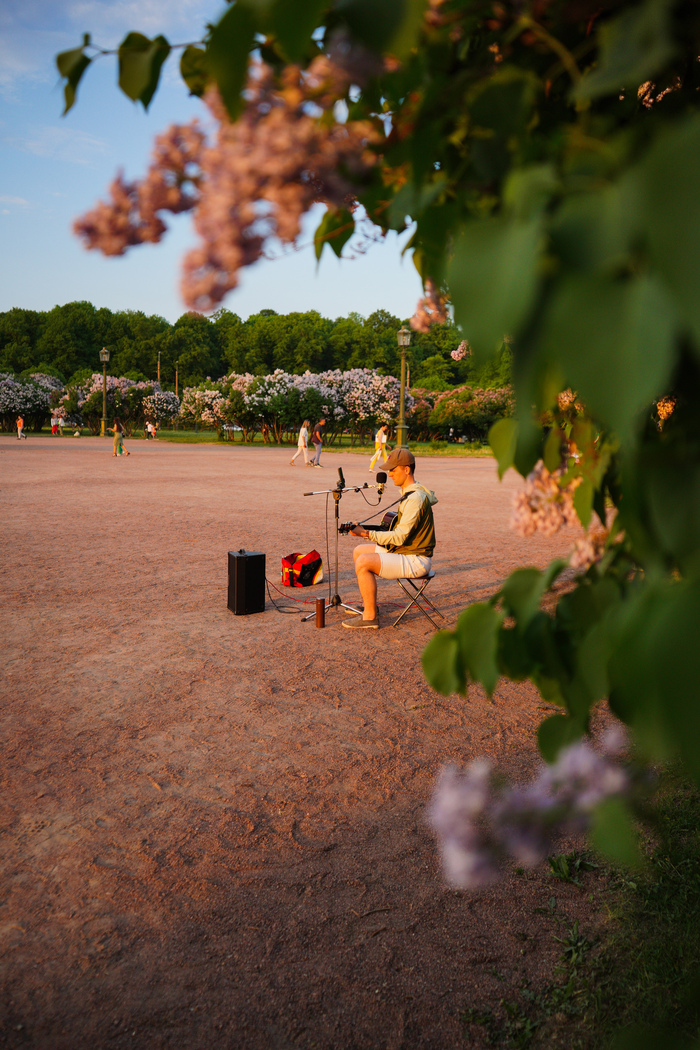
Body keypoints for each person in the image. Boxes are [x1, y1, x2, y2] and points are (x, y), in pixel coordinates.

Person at [343, 448, 437, 629]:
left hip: (417, 560)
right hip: (407, 552)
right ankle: (370, 606)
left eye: (393, 470)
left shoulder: (415, 498)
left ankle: (370, 617)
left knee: (363, 561)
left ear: (407, 470)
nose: (390, 474)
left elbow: (399, 537)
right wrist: (364, 530)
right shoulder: (411, 493)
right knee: (359, 551)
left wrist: (365, 533)